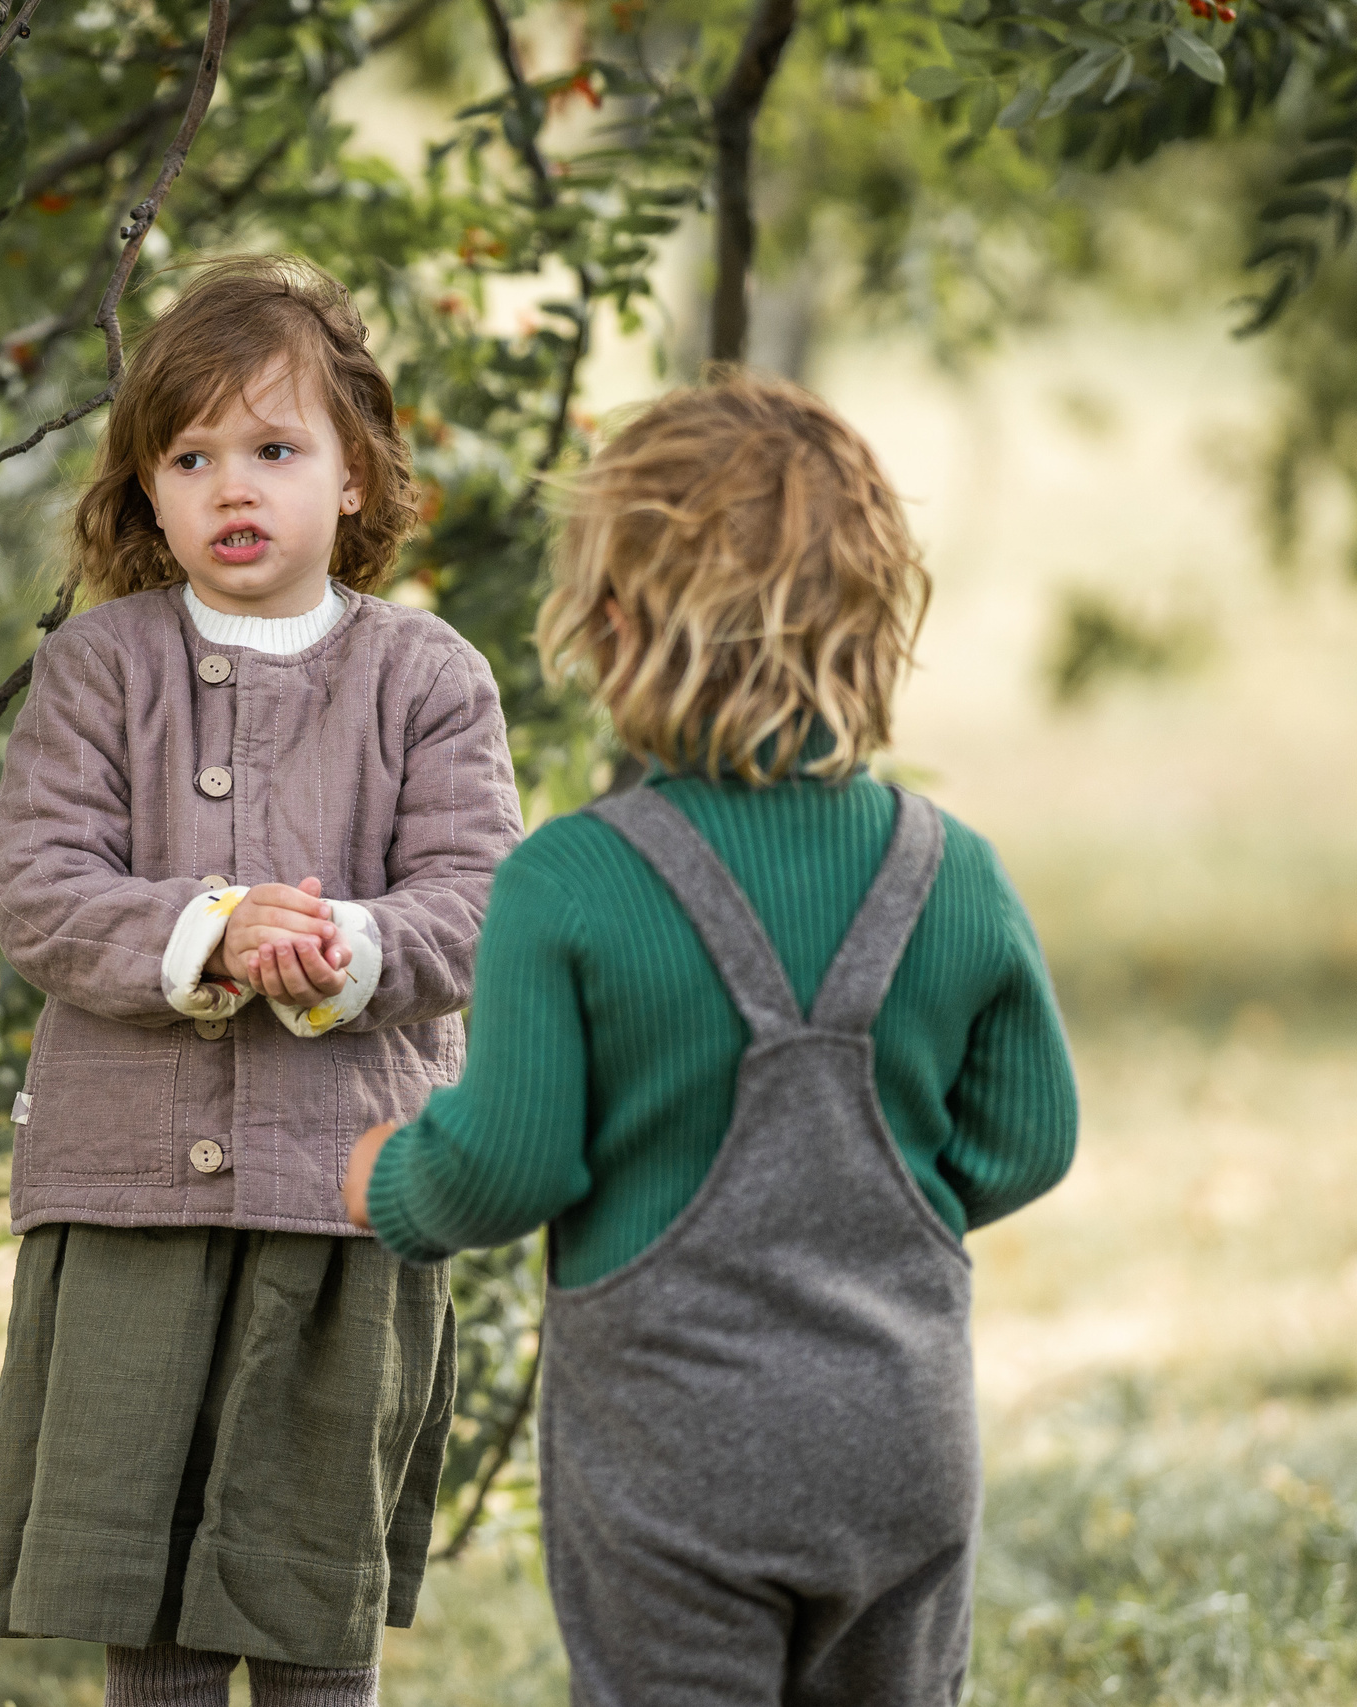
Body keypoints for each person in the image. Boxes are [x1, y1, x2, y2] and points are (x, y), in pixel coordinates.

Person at [344, 372, 1081, 1707]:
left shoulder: (570, 882)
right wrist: (863, 1208)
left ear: (615, 627)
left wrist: (385, 1181)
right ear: (869, 627)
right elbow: (1033, 1138)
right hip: (901, 1440)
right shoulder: (950, 870)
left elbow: (506, 1172)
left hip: (675, 1464)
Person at [0, 255, 521, 1707]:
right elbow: (40, 886)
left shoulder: (429, 677)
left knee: (306, 1595)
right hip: (131, 1197)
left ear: (353, 477)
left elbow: (478, 899)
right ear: (144, 489)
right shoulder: (98, 670)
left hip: (344, 1199)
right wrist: (207, 930)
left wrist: (353, 952)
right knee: (143, 1596)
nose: (233, 485)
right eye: (191, 453)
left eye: (276, 450)